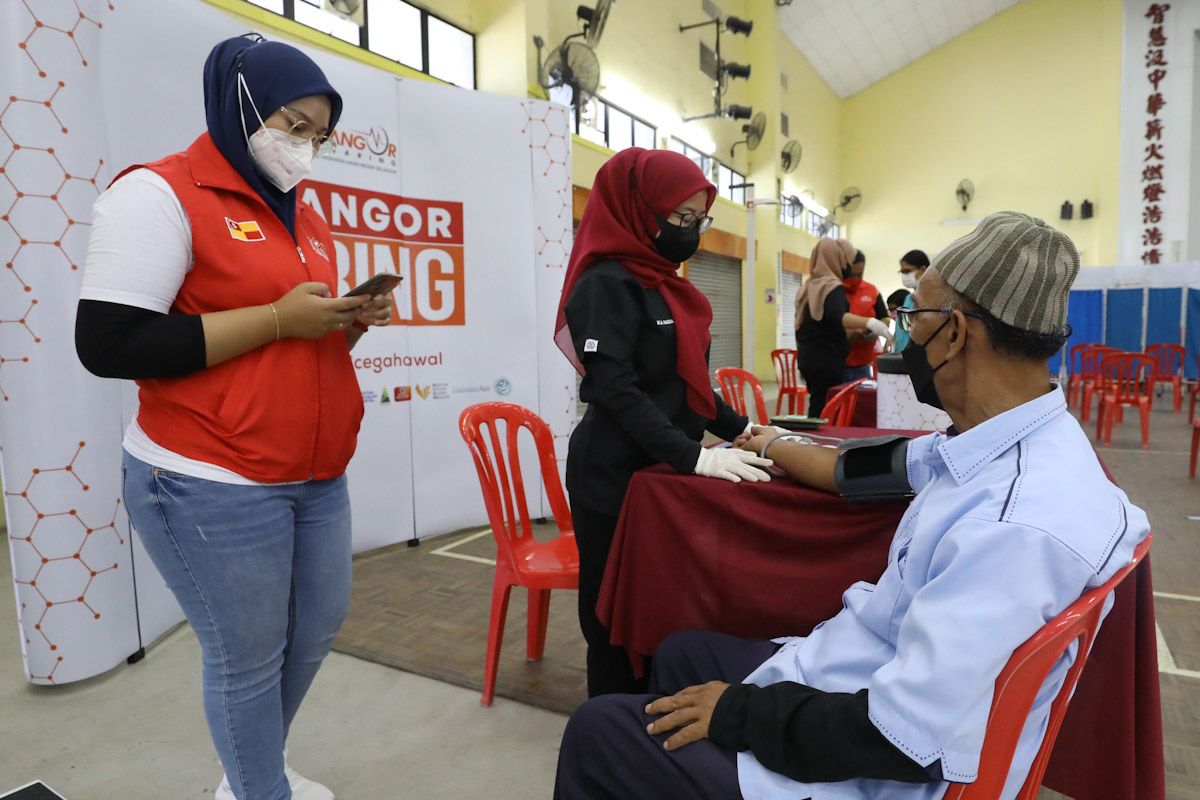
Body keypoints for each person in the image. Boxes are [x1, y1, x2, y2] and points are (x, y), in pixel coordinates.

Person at [552, 212, 1150, 800]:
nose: (904, 335)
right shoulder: (1008, 442)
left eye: (913, 316)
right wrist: (775, 441)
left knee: (597, 731)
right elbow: (856, 470)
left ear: (956, 334)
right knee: (683, 650)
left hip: (879, 758)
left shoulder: (1015, 525)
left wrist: (739, 712)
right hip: (867, 667)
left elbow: (902, 740)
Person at [75, 35, 392, 800]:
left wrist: (348, 317)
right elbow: (109, 343)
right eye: (292, 125)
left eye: (318, 135)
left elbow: (288, 328)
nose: (304, 148)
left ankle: (250, 770)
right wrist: (279, 321)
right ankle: (258, 788)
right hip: (207, 477)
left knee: (311, 634)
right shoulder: (158, 194)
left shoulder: (300, 214)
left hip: (314, 473)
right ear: (240, 104)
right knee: (245, 657)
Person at [554, 147, 773, 697]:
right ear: (637, 209)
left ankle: (651, 707)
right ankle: (608, 724)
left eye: (701, 221)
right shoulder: (605, 284)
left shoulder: (666, 284)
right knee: (608, 614)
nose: (692, 232)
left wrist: (741, 429)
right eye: (680, 220)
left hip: (660, 472)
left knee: (656, 604)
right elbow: (618, 390)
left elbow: (686, 384)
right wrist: (694, 455)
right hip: (611, 475)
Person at [794, 238, 893, 419]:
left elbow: (819, 323)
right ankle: (817, 444)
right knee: (827, 411)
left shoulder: (810, 286)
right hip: (827, 360)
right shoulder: (831, 286)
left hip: (808, 359)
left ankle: (812, 442)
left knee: (818, 404)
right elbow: (836, 316)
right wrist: (870, 323)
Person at [842, 249, 890, 382]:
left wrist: (871, 329)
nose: (856, 279)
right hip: (837, 363)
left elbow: (885, 318)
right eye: (852, 274)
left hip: (862, 364)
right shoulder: (834, 291)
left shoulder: (872, 291)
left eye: (860, 274)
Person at [893, 249, 931, 351]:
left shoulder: (932, 298)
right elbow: (904, 329)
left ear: (923, 269)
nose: (904, 276)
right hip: (902, 358)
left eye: (907, 271)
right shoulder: (908, 299)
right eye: (901, 272)